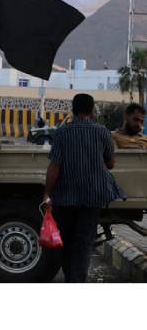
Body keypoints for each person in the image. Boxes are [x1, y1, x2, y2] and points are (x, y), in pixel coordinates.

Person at [43, 93, 125, 282]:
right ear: (92, 110)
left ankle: (71, 278)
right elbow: (110, 164)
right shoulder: (103, 132)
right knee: (83, 243)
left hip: (65, 197)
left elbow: (54, 166)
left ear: (73, 110)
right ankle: (77, 281)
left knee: (67, 242)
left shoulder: (62, 133)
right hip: (93, 196)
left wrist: (47, 194)